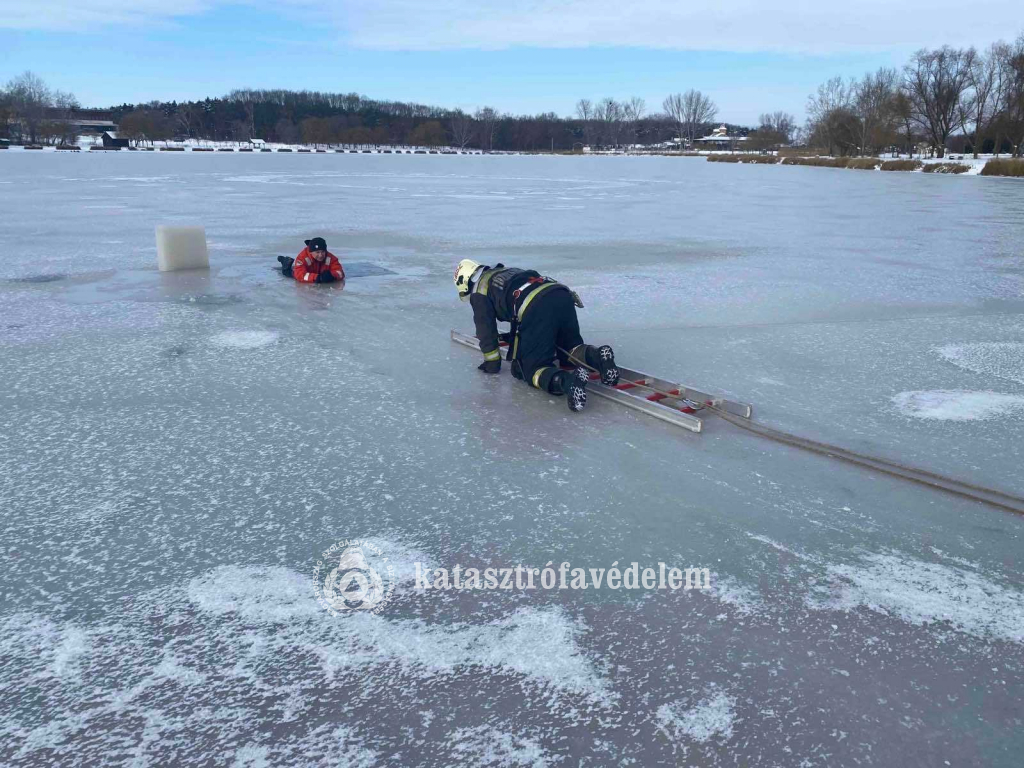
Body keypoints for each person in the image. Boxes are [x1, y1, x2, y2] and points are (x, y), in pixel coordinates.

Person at [454, 259, 619, 412]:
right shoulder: (505, 272)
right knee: (570, 349)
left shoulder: (479, 291)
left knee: (531, 369)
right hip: (560, 294)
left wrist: (491, 363)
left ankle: (569, 383)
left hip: (537, 306)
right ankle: (598, 356)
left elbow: (486, 331)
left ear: (464, 283)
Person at [277, 237, 345, 283]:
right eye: (317, 252)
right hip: (306, 272)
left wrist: (332, 275)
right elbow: (299, 275)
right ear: (310, 252)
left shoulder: (331, 258)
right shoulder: (302, 257)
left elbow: (340, 273)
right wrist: (317, 278)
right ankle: (285, 262)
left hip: (316, 273)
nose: (320, 255)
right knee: (287, 273)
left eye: (323, 252)